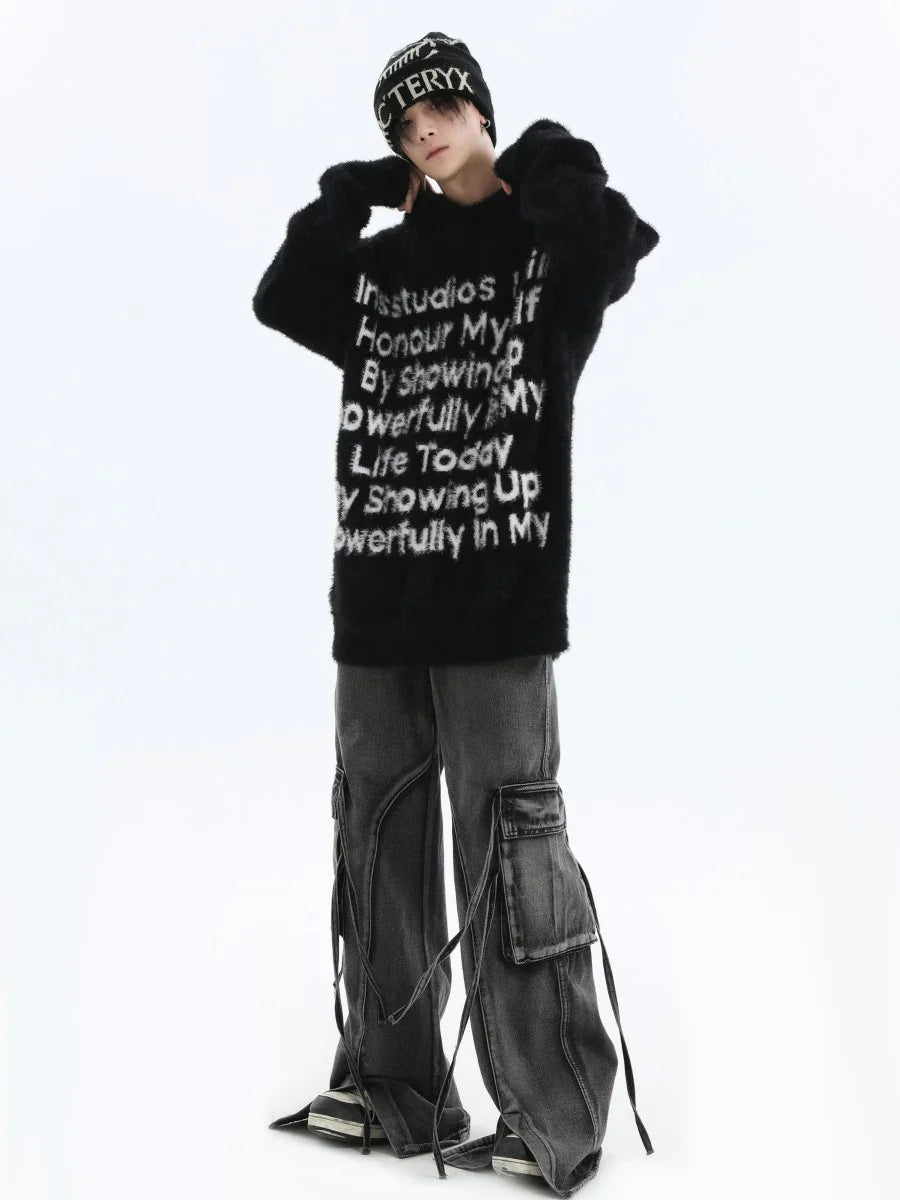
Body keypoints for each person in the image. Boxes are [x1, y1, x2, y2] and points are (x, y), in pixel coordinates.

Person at [253, 30, 659, 1198]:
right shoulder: (383, 274)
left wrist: (541, 155)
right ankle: (393, 1087)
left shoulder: (547, 250)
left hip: (495, 600)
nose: (421, 130)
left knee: (509, 840)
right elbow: (283, 296)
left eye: (438, 108)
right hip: (379, 593)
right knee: (375, 834)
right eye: (400, 123)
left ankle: (552, 1113)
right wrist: (351, 193)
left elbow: (608, 243)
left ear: (479, 108)